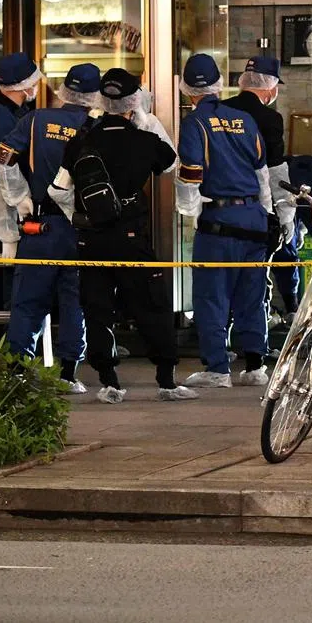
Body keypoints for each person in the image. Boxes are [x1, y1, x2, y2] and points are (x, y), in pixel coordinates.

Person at [50, 67, 195, 405]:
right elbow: (170, 164)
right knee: (151, 304)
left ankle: (109, 381)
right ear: (135, 102)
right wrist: (145, 122)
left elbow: (57, 190)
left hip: (91, 239)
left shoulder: (81, 141)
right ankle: (166, 380)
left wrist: (80, 215)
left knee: (97, 308)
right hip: (131, 237)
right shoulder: (144, 140)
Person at [0, 63, 96, 392]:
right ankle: (69, 374)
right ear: (95, 96)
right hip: (81, 230)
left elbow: (2, 157)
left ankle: (18, 371)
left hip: (40, 226)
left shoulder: (35, 120)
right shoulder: (94, 127)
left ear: (64, 90)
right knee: (75, 301)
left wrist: (19, 197)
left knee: (28, 301)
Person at [175, 54, 274, 389]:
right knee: (252, 294)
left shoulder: (194, 124)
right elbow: (262, 174)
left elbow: (189, 176)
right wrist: (266, 213)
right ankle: (255, 365)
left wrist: (190, 213)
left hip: (218, 221)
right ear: (219, 84)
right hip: (253, 219)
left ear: (186, 89)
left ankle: (218, 368)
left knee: (212, 296)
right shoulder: (245, 119)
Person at [222, 56, 298, 318]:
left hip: (217, 210)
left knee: (222, 281)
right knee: (253, 280)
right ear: (271, 86)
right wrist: (286, 216)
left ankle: (223, 333)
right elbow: (276, 172)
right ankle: (254, 337)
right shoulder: (270, 119)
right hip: (254, 210)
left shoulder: (219, 110)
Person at [0, 52, 42, 261]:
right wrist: (8, 234)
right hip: (13, 218)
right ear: (22, 85)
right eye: (34, 81)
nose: (37, 85)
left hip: (21, 213)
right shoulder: (0, 122)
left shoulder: (15, 112)